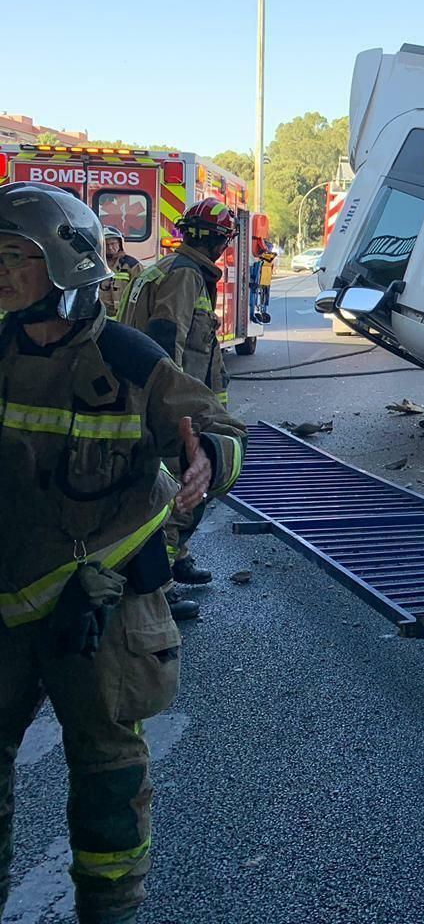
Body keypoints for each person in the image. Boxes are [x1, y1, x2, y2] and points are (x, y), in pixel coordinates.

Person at [0, 183, 244, 924]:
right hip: (7, 599)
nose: (2, 275)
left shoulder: (129, 360)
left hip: (101, 603)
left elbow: (217, 429)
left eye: (16, 257)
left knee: (108, 774)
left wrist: (211, 464)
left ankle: (110, 909)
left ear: (66, 266)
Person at [120, 198, 238, 618]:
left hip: (166, 400)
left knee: (182, 486)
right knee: (181, 490)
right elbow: (166, 338)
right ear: (221, 242)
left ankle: (179, 557)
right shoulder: (185, 276)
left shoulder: (168, 268)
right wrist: (173, 407)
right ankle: (161, 586)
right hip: (176, 408)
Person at [99, 226, 144, 321]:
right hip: (100, 318)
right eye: (106, 245)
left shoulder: (132, 265)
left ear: (120, 244)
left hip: (125, 318)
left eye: (113, 244)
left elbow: (142, 291)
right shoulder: (96, 265)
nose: (110, 247)